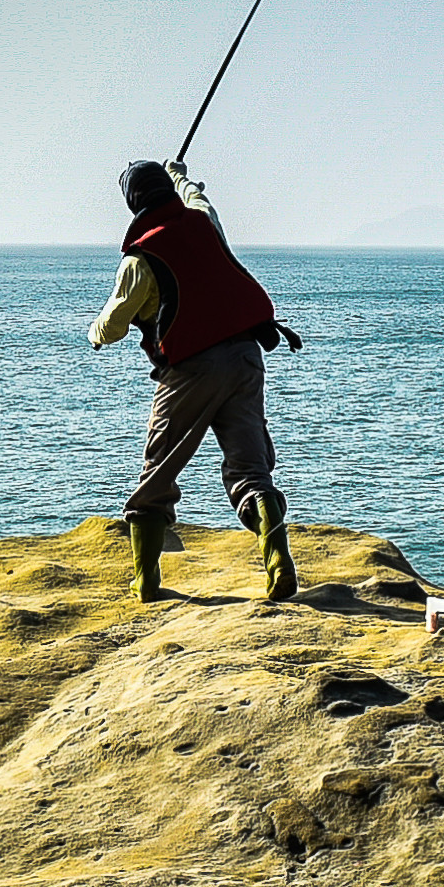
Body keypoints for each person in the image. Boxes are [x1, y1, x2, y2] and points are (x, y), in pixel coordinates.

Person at [90, 160, 300, 603]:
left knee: (160, 469)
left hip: (190, 370)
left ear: (133, 203)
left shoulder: (140, 258)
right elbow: (195, 197)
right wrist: (181, 175)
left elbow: (114, 324)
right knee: (250, 467)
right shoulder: (203, 220)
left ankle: (146, 580)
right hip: (245, 356)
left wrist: (94, 334)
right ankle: (277, 561)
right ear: (168, 189)